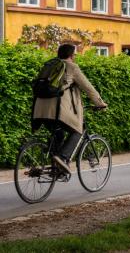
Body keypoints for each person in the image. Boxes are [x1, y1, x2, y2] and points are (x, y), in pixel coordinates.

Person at [32, 44, 107, 173]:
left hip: (39, 110)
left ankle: (55, 166)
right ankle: (62, 158)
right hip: (57, 110)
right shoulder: (72, 67)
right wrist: (100, 103)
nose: (75, 56)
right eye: (74, 54)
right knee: (77, 131)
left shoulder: (49, 65)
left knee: (58, 134)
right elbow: (88, 88)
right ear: (71, 55)